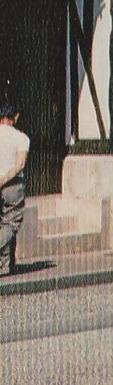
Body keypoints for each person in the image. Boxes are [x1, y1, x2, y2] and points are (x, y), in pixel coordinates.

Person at [0, 104, 29, 277]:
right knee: (10, 224)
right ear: (15, 117)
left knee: (2, 224)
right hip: (13, 185)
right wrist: (3, 179)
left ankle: (6, 265)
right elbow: (20, 165)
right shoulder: (21, 138)